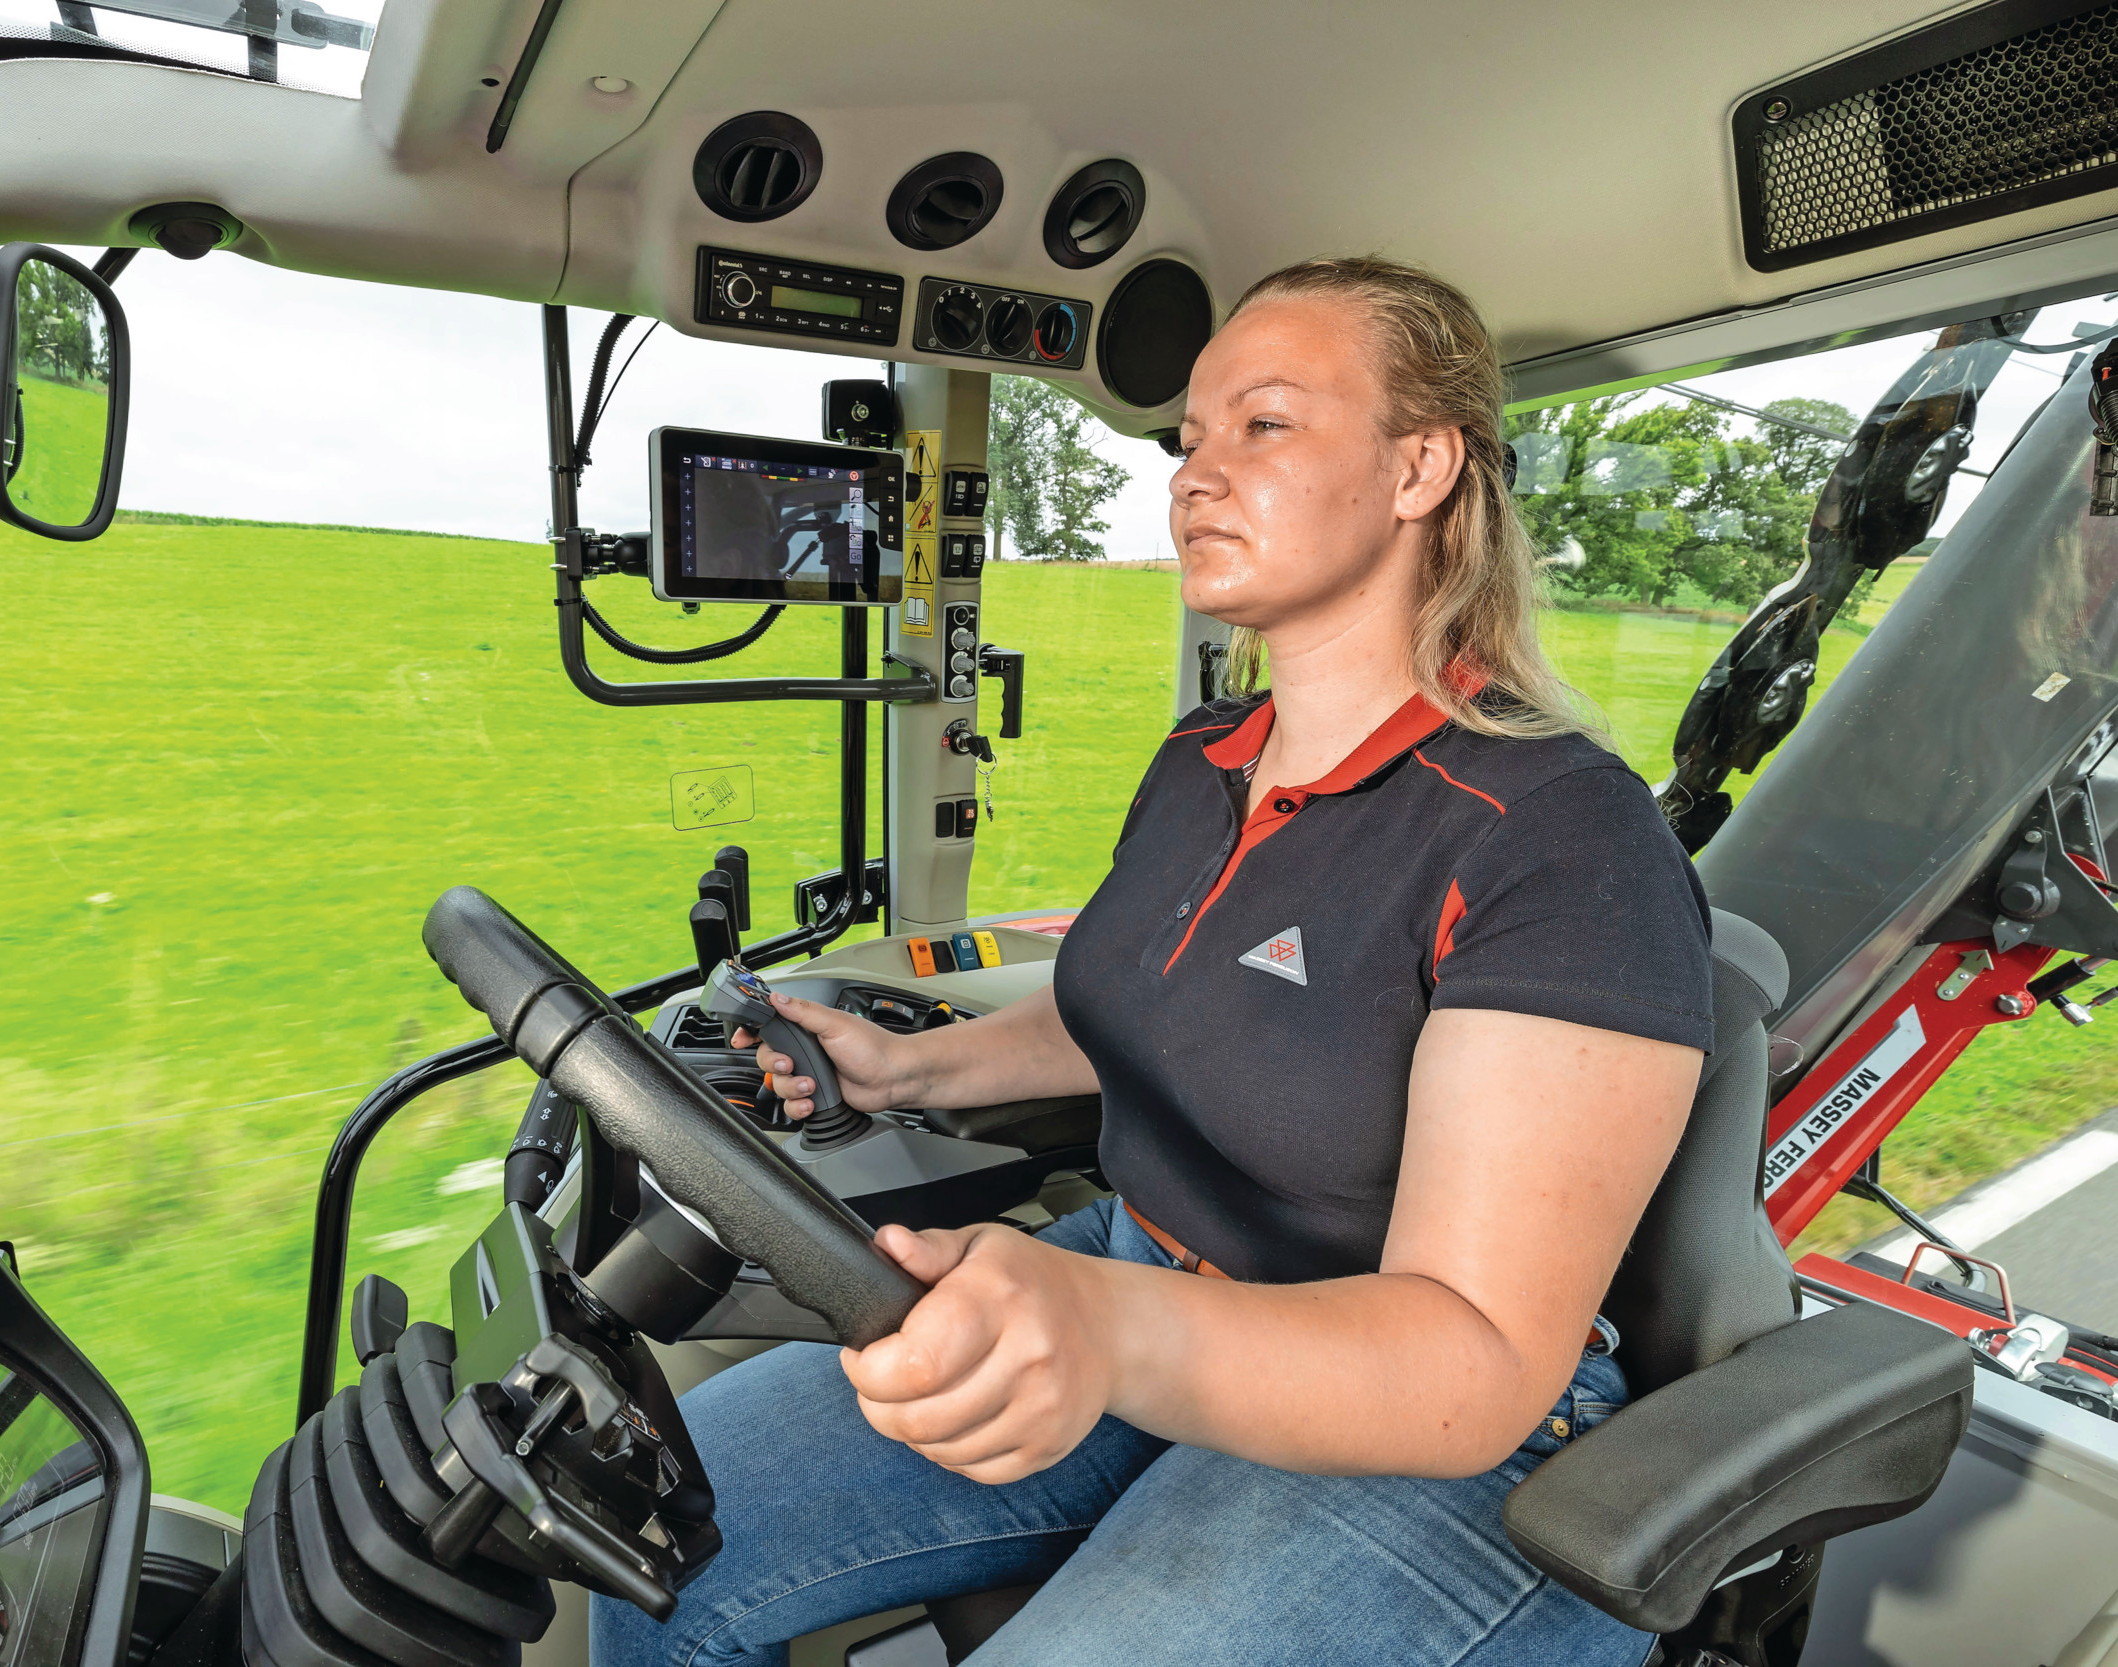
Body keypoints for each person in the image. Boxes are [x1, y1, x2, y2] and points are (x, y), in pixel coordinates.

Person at [593, 256, 1714, 1666]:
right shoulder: (1206, 761)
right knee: (651, 1530)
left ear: (1420, 465)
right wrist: (909, 1067)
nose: (1194, 475)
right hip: (1143, 1271)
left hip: (1428, 1440)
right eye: (1188, 440)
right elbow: (1147, 999)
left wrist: (1108, 1330)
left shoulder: (1558, 837)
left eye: (1265, 424)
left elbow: (1476, 1360)